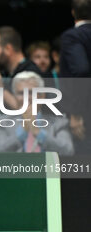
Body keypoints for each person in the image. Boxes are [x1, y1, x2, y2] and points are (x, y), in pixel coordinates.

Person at [0, 71, 74, 156]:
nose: (26, 97)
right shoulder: (1, 122)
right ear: (15, 96)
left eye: (31, 92)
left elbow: (68, 151)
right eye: (21, 93)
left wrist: (39, 133)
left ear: (42, 96)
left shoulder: (59, 122)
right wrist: (22, 133)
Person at [60, 0, 91, 154]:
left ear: (73, 12)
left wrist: (76, 112)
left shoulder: (73, 36)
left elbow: (81, 70)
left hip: (85, 113)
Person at [0, 26, 43, 109]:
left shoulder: (30, 73)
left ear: (8, 49)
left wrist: (0, 90)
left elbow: (26, 109)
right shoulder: (5, 73)